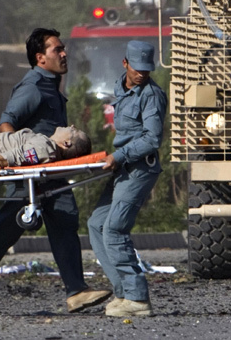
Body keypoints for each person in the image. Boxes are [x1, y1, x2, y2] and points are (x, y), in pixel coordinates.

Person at [0, 28, 112, 315]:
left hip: (50, 175)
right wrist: (16, 159)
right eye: (57, 50)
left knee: (64, 222)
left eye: (64, 49)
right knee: (6, 231)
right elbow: (6, 124)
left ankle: (76, 291)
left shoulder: (51, 85)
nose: (64, 54)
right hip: (30, 175)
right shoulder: (33, 87)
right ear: (40, 58)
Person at [87, 41, 167, 317]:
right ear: (125, 64)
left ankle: (137, 298)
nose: (142, 74)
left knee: (115, 229)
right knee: (96, 223)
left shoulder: (152, 95)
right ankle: (122, 292)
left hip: (140, 169)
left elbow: (152, 138)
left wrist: (118, 156)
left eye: (147, 69)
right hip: (122, 167)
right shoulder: (121, 88)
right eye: (137, 68)